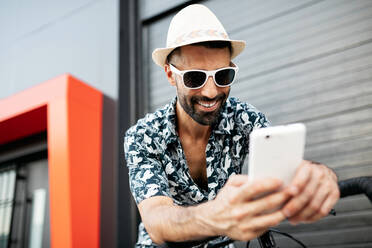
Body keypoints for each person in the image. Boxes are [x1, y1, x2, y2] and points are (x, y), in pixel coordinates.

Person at [124, 4, 340, 248]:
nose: (211, 92)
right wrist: (214, 216)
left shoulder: (244, 118)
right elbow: (156, 219)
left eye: (222, 75)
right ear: (170, 75)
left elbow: (288, 167)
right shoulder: (143, 136)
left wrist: (320, 176)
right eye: (194, 77)